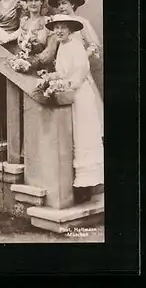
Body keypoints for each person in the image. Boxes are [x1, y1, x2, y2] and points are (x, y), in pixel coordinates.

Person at [45, 14, 104, 204]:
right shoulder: (62, 46)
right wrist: (50, 77)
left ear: (70, 30)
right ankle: (78, 184)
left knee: (83, 136)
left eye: (63, 27)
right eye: (56, 28)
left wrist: (61, 84)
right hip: (70, 95)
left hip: (80, 96)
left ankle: (86, 185)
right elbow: (64, 72)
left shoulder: (77, 46)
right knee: (72, 136)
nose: (59, 31)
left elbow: (78, 76)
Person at [48, 0, 104, 130]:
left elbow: (94, 45)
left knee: (84, 107)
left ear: (73, 5)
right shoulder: (59, 24)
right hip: (65, 66)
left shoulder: (81, 22)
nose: (61, 7)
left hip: (79, 68)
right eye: (59, 4)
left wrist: (83, 55)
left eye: (64, 3)